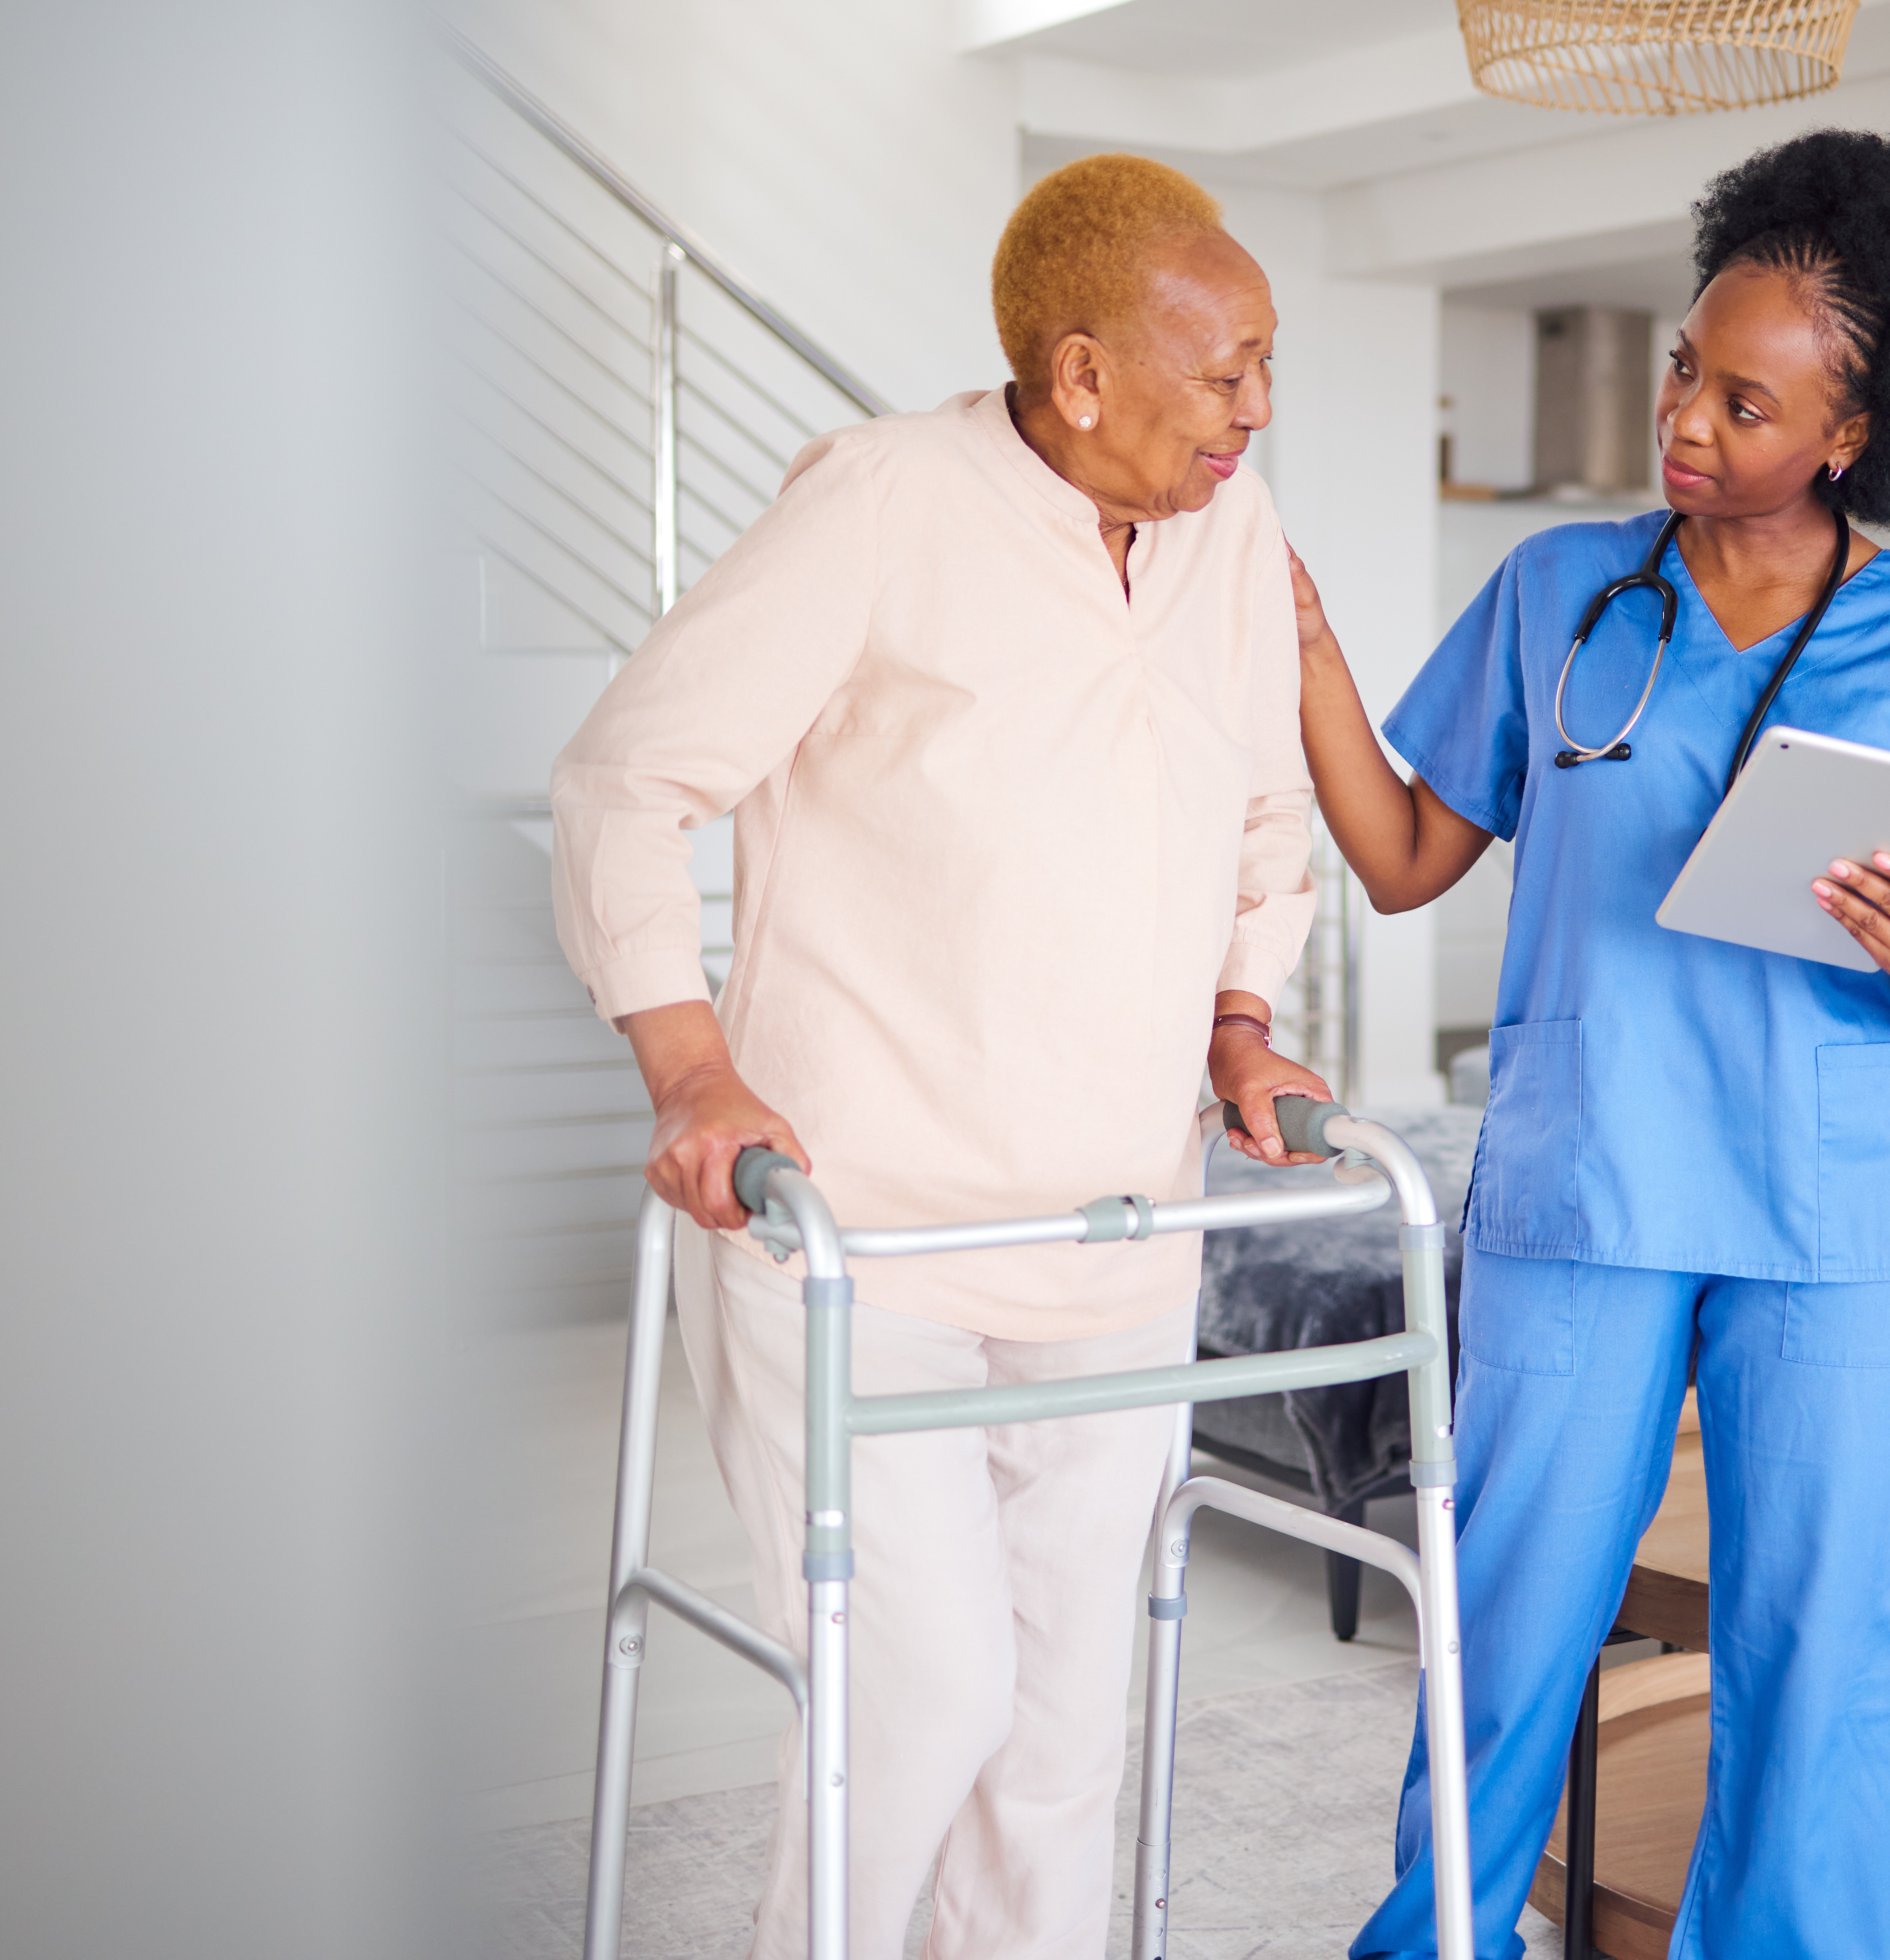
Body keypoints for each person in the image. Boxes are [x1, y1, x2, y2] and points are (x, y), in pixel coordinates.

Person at [1298, 132, 1890, 1958]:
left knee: (1818, 1665)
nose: (1689, 420)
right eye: (1686, 370)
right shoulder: (1560, 590)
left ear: (1849, 434)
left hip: (1841, 1213)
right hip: (1594, 1178)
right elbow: (1409, 861)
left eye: (1747, 401)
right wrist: (1315, 664)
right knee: (1502, 1629)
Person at [549, 154, 1328, 1960]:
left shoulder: (1231, 527)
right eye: (1223, 375)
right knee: (928, 1701)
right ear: (1078, 374)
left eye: (1265, 368)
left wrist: (1240, 1025)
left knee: (1061, 1747)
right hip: (863, 1235)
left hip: (1120, 1238)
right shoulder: (884, 499)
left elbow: (1261, 815)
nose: (1254, 411)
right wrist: (689, 1069)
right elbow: (625, 778)